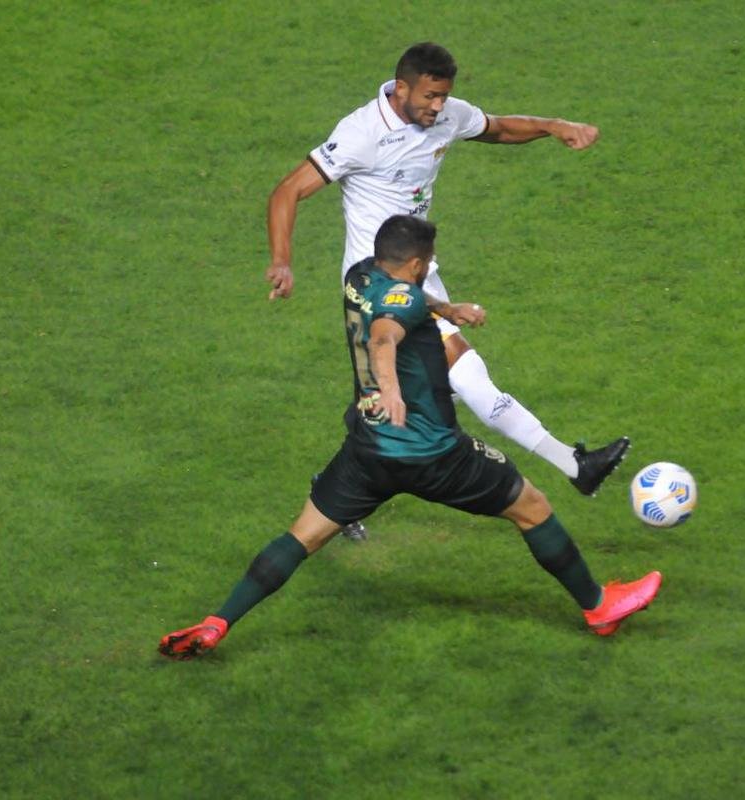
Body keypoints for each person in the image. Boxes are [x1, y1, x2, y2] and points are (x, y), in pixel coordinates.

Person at [159, 216, 661, 659]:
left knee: (302, 537)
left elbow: (403, 301)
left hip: (368, 453)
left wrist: (449, 309)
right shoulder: (402, 301)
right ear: (418, 262)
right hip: (436, 455)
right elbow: (385, 336)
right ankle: (599, 607)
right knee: (532, 506)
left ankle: (217, 621)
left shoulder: (361, 276)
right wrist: (391, 388)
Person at [265, 42, 629, 540]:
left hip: (419, 273)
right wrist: (283, 261)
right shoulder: (360, 134)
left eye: (444, 98)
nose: (438, 108)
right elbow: (288, 190)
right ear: (401, 87)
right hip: (379, 287)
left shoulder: (446, 115)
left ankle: (340, 495)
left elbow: (497, 127)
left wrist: (553, 126)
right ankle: (574, 466)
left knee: (397, 398)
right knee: (467, 383)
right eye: (430, 97)